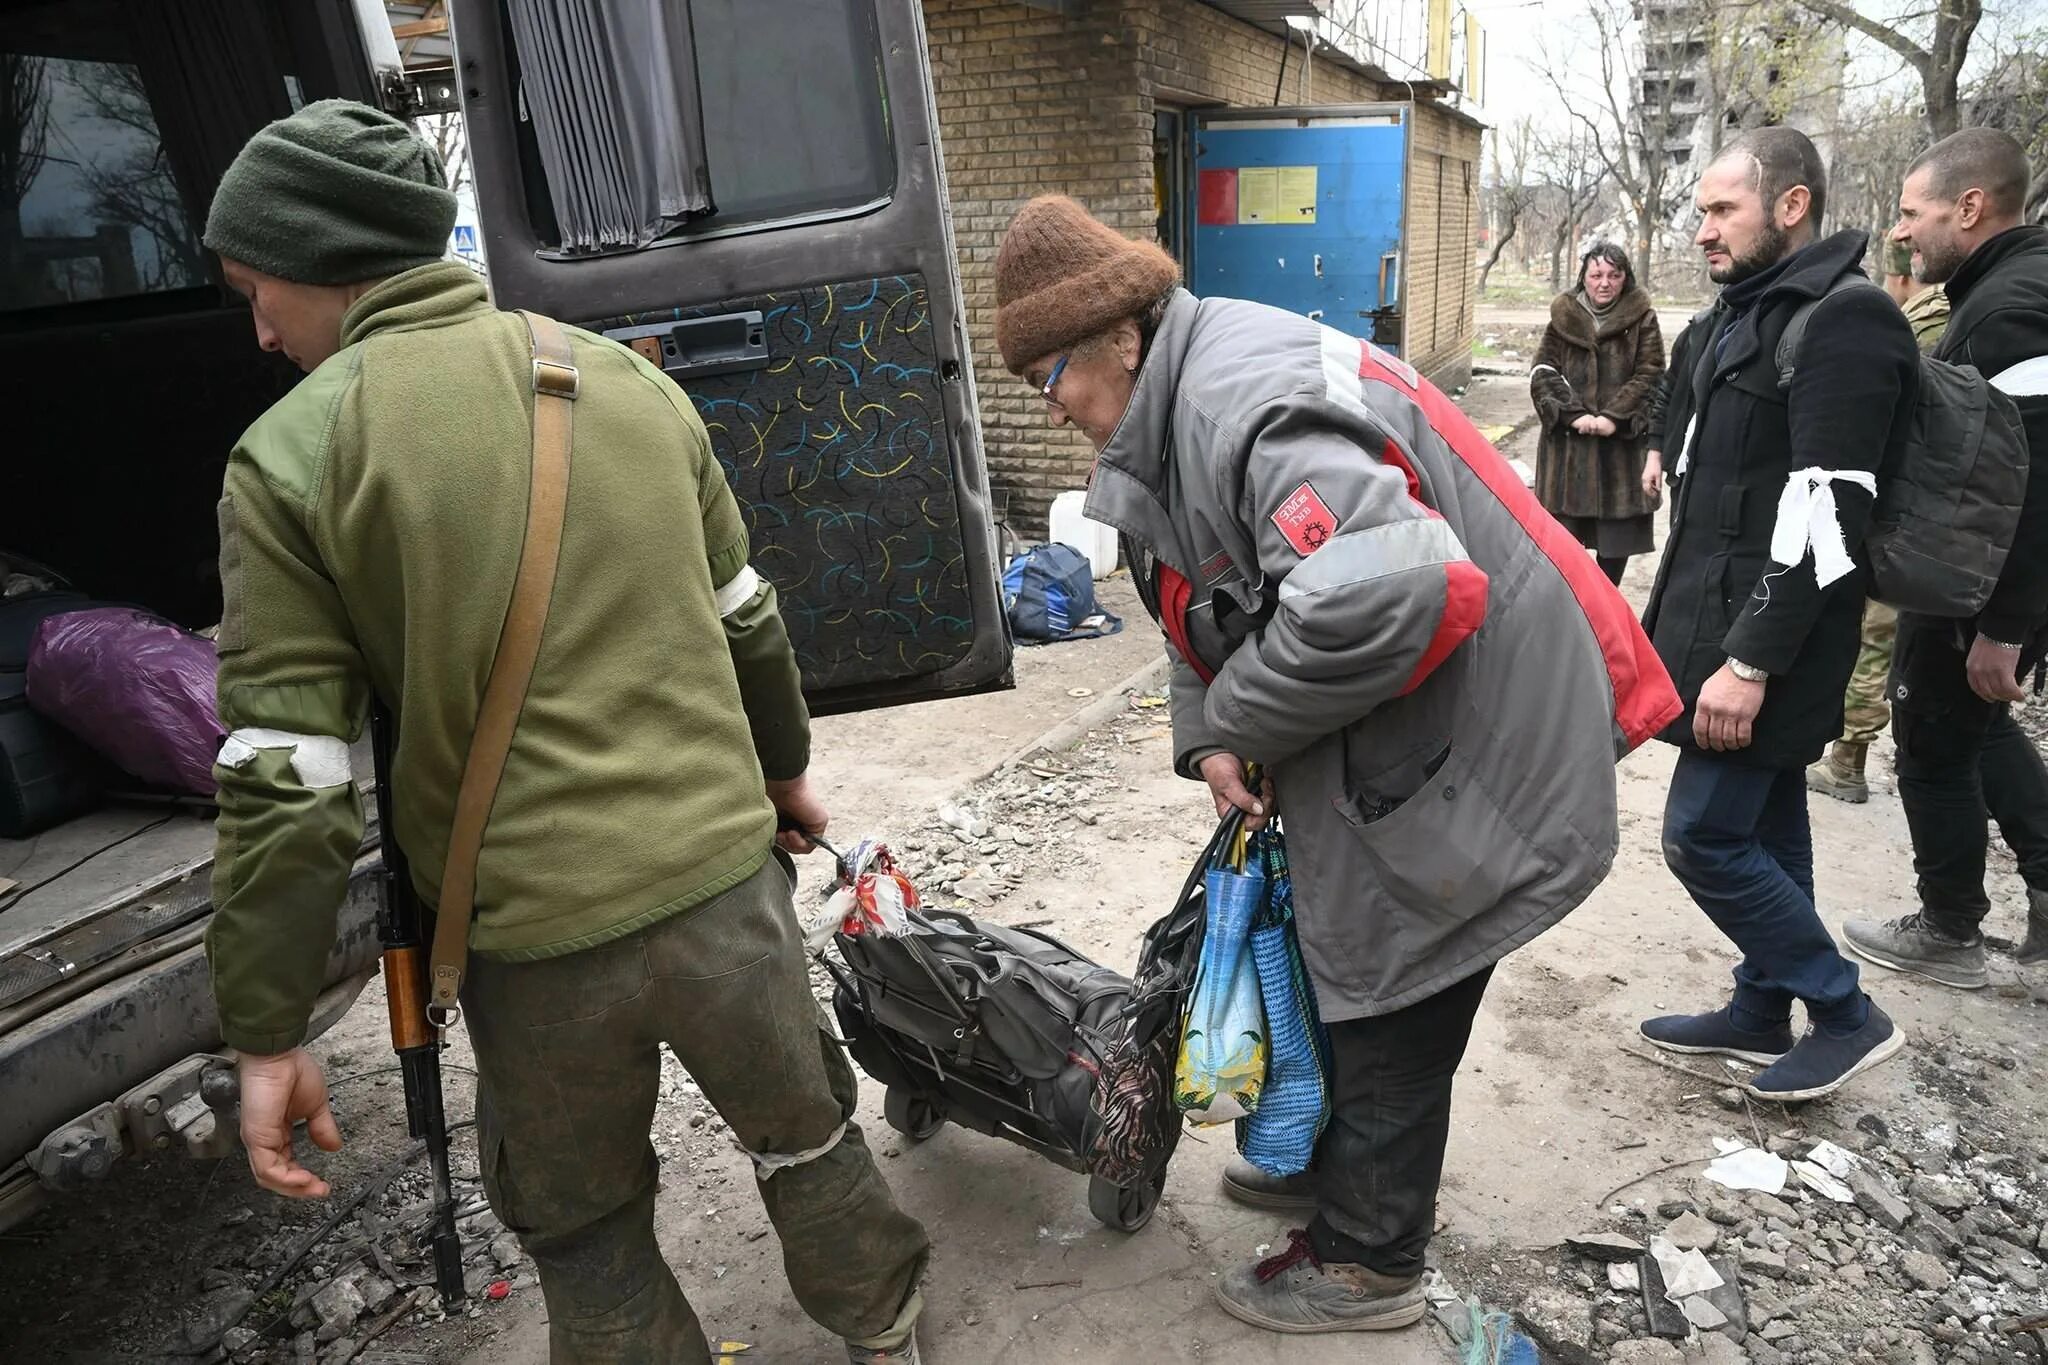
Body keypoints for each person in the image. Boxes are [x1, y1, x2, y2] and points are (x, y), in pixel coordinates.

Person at [199, 102, 928, 1365]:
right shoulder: (627, 380)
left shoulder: (289, 458)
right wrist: (785, 770)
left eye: (257, 289)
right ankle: (888, 1332)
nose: (259, 329)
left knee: (584, 1231)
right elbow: (744, 615)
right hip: (721, 890)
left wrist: (265, 1033)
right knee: (808, 1137)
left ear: (325, 264)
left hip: (532, 946)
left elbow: (290, 782)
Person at [991, 195, 1679, 1337]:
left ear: (1119, 334)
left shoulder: (1235, 398)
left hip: (1473, 724)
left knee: (1396, 978)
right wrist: (1208, 735)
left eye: (1049, 374)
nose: (1048, 404)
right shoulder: (1175, 403)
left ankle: (1367, 1258)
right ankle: (1329, 1169)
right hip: (1409, 722)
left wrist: (1248, 721)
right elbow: (1192, 594)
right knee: (1334, 951)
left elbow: (1388, 591)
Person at [1637, 127, 1919, 1101]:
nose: (1701, 227)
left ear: (1789, 205)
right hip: (1709, 625)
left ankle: (1842, 1012)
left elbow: (1827, 511)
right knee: (1762, 826)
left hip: (1773, 640)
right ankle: (1761, 1007)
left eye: (1722, 209)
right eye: (1700, 210)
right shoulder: (1732, 315)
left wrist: (1748, 662)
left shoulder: (1844, 321)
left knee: (1702, 838)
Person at [1842, 128, 2048, 994]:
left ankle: (1949, 926)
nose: (1899, 231)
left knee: (1928, 738)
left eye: (1910, 212)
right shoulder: (2004, 286)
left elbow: (2036, 479)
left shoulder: (2010, 310)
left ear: (1970, 208)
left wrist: (2005, 626)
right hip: (1985, 577)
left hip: (1987, 585)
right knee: (1973, 725)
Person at [1805, 236, 1951, 804]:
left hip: (1904, 511)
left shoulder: (1921, 322)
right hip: (1920, 511)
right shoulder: (1935, 313)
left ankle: (1848, 761)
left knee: (1874, 635)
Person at [1530, 241, 1667, 585]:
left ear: (1625, 278)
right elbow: (1543, 371)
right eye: (1596, 274)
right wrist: (1572, 414)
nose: (1604, 282)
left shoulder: (1642, 319)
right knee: (1562, 557)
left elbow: (1650, 373)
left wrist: (1613, 417)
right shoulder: (1563, 317)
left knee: (1612, 556)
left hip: (1619, 456)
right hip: (1568, 456)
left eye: (1613, 274)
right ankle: (1571, 622)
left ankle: (1605, 622)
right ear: (1584, 277)